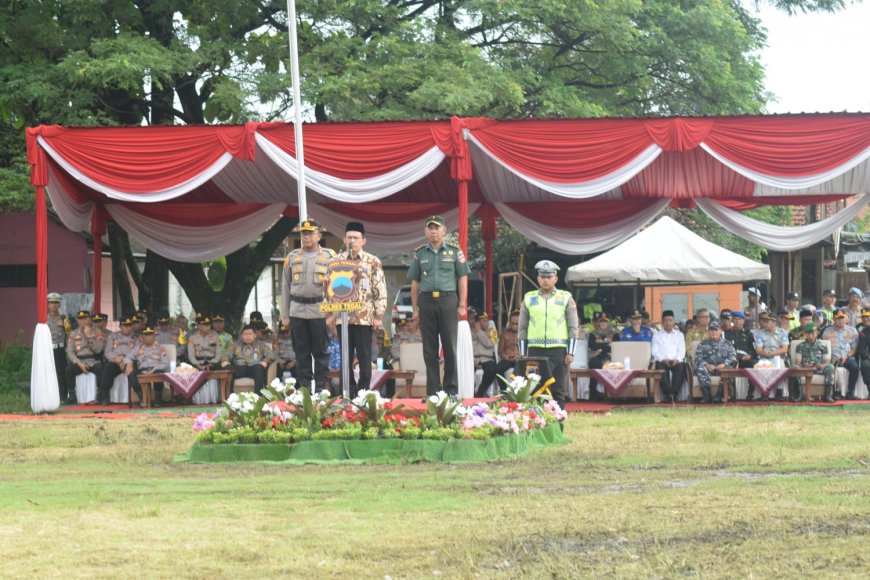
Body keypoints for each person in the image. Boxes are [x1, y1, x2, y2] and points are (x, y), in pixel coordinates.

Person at [407, 215, 470, 396]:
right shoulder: (419, 253)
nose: (434, 231)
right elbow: (415, 283)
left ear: (444, 230)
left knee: (450, 346)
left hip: (448, 300)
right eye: (430, 228)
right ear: (425, 231)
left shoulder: (454, 251)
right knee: (429, 348)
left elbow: (463, 278)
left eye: (437, 228)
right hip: (426, 301)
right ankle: (433, 392)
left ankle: (451, 390)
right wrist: (414, 309)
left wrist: (462, 304)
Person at [280, 219, 336, 392]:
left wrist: (332, 315)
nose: (307, 237)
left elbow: (335, 287)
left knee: (320, 352)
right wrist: (285, 315)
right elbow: (285, 286)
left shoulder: (330, 257)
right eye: (304, 234)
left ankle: (320, 387)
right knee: (301, 352)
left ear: (319, 235)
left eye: (311, 233)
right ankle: (304, 387)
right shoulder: (292, 257)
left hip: (320, 310)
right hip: (297, 310)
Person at [333, 221, 387, 394]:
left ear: (363, 241)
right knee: (345, 358)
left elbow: (380, 289)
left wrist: (379, 316)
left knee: (364, 357)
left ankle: (363, 392)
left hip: (365, 318)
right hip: (343, 317)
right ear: (344, 239)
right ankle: (346, 392)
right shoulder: (336, 261)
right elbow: (328, 289)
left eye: (356, 238)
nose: (352, 241)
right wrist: (329, 315)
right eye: (349, 237)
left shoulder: (372, 262)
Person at [518, 260, 579, 407]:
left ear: (556, 278)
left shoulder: (565, 298)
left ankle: (558, 424)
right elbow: (522, 327)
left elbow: (573, 327)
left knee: (558, 389)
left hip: (558, 351)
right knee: (535, 389)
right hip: (534, 351)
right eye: (542, 277)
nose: (545, 280)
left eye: (549, 277)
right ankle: (537, 423)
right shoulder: (529, 298)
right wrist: (523, 353)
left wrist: (570, 352)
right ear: (538, 278)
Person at [64, 310, 106, 403]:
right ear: (78, 321)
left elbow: (99, 349)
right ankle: (72, 396)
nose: (83, 321)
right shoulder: (73, 333)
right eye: (80, 319)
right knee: (68, 369)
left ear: (89, 319)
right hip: (80, 361)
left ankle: (100, 395)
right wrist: (79, 363)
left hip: (93, 360)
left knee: (101, 368)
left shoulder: (97, 331)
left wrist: (89, 336)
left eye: (85, 318)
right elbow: (70, 352)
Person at [221, 324, 274, 395]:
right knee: (227, 367)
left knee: (259, 367)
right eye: (245, 334)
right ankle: (230, 395)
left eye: (250, 334)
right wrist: (225, 360)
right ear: (242, 336)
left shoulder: (262, 345)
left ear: (255, 335)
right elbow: (226, 354)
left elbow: (271, 355)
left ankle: (258, 396)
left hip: (254, 368)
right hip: (239, 368)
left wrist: (265, 361)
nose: (248, 336)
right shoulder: (235, 345)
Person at [693, 321, 736, 404]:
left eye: (716, 330)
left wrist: (724, 364)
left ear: (720, 331)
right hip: (708, 369)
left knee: (730, 370)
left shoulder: (727, 343)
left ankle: (719, 395)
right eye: (711, 330)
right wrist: (707, 365)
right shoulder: (702, 344)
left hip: (722, 369)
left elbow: (733, 357)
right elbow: (698, 359)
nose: (713, 332)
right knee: (700, 368)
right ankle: (707, 395)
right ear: (708, 331)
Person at [126, 326, 170, 407]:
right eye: (146, 335)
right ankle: (143, 398)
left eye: (150, 335)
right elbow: (128, 357)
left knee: (159, 373)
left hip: (155, 370)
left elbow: (165, 363)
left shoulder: (160, 348)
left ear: (154, 336)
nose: (148, 337)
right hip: (142, 371)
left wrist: (153, 370)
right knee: (131, 374)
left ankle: (157, 399)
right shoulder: (138, 348)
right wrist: (129, 364)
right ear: (142, 337)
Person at [822, 310, 860, 399]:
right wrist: (831, 357)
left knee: (854, 367)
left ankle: (850, 391)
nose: (840, 320)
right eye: (838, 318)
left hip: (847, 356)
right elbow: (824, 347)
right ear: (833, 319)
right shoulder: (827, 331)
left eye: (842, 318)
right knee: (832, 367)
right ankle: (835, 391)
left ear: (846, 318)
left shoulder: (852, 331)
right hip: (833, 356)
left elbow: (854, 348)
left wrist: (847, 356)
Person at [99, 316, 137, 405]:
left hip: (129, 363)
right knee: (108, 367)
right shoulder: (113, 336)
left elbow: (137, 352)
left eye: (129, 325)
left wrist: (125, 360)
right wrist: (116, 359)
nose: (128, 328)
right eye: (125, 326)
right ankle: (105, 394)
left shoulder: (135, 338)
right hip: (116, 362)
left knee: (134, 370)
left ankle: (139, 395)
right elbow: (107, 352)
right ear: (120, 326)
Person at [794, 322, 835, 403]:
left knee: (830, 367)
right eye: (809, 334)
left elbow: (826, 361)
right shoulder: (800, 346)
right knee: (794, 367)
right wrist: (803, 366)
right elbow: (798, 362)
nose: (811, 336)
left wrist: (821, 365)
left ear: (816, 333)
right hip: (804, 370)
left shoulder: (822, 345)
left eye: (813, 333)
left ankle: (827, 395)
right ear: (805, 334)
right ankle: (799, 394)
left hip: (818, 368)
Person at [651, 310, 686, 402]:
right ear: (662, 322)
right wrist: (663, 360)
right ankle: (667, 394)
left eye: (670, 320)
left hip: (676, 361)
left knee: (681, 366)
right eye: (665, 320)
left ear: (674, 321)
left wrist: (677, 360)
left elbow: (682, 351)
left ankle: (674, 394)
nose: (668, 323)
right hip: (662, 361)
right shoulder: (656, 335)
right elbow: (654, 351)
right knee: (659, 365)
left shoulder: (680, 335)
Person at [587, 313, 619, 401]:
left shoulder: (615, 334)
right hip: (596, 357)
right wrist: (606, 346)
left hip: (610, 357)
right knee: (594, 365)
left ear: (609, 323)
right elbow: (592, 346)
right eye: (601, 322)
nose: (603, 324)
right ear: (598, 323)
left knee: (610, 366)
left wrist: (600, 347)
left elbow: (616, 346)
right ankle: (593, 394)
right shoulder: (593, 334)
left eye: (605, 322)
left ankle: (610, 396)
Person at [47, 292, 68, 402]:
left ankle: (63, 396)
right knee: (49, 373)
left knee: (61, 373)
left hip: (60, 349)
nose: (54, 305)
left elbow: (69, 334)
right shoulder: (44, 318)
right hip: (49, 349)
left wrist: (65, 325)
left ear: (59, 305)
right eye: (51, 303)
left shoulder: (64, 318)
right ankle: (50, 396)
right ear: (48, 305)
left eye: (56, 303)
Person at [471, 312, 497, 397]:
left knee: (492, 370)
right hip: (474, 358)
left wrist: (479, 332)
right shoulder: (470, 332)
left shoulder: (492, 331)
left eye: (487, 321)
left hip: (487, 359)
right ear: (477, 323)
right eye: (483, 321)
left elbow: (490, 344)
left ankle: (480, 392)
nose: (487, 323)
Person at [496, 311, 521, 384]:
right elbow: (500, 351)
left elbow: (527, 350)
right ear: (509, 322)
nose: (514, 326)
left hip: (519, 359)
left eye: (517, 324)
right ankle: (504, 391)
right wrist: (505, 356)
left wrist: (519, 356)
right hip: (507, 359)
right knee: (498, 370)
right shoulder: (504, 334)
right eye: (512, 323)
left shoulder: (524, 334)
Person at [858, 309, 870, 392]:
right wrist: (868, 356)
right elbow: (861, 349)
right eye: (863, 317)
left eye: (868, 316)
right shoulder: (864, 332)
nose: (865, 319)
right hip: (869, 357)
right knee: (865, 365)